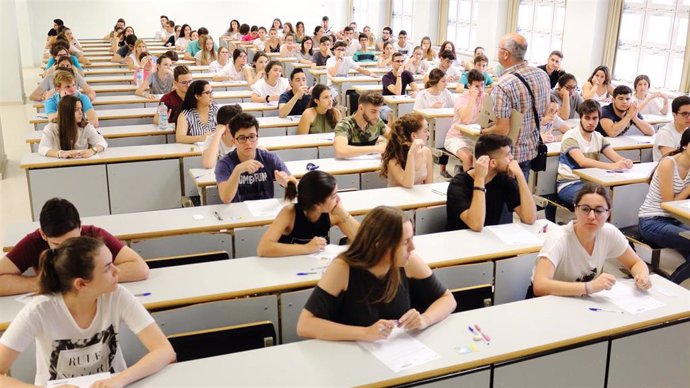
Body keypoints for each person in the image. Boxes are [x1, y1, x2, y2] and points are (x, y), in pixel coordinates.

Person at [0, 236, 174, 386]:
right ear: (81, 284)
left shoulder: (117, 295)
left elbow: (165, 350)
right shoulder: (39, 310)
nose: (117, 271)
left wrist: (120, 379)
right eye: (107, 268)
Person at [296, 206, 456, 341]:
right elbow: (305, 325)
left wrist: (424, 319)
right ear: (381, 245)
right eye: (405, 241)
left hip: (395, 354)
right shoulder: (343, 268)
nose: (412, 247)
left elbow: (448, 299)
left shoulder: (409, 262)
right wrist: (365, 333)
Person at [0, 198, 149, 296]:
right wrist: (48, 282)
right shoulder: (33, 242)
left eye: (73, 241)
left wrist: (91, 279)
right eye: (57, 245)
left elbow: (139, 268)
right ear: (43, 235)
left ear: (80, 227)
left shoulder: (93, 234)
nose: (66, 249)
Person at [530, 183, 651, 298]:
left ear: (608, 214)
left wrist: (642, 276)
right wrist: (588, 287)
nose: (592, 216)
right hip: (548, 301)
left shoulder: (609, 232)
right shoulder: (559, 238)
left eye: (599, 211)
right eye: (585, 209)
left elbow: (636, 263)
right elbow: (540, 286)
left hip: (580, 300)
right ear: (576, 209)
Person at [482, 33, 550, 179]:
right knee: (521, 197)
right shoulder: (542, 75)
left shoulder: (504, 84)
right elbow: (545, 112)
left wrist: (484, 131)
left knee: (503, 200)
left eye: (498, 48)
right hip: (531, 149)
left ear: (506, 54)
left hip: (509, 155)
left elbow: (502, 129)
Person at [257, 171, 360, 257]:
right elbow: (263, 248)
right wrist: (306, 248)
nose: (338, 199)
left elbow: (364, 240)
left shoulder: (334, 213)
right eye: (333, 196)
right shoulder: (290, 213)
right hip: (289, 268)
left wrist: (343, 213)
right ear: (317, 205)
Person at [446, 134, 536, 231]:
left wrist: (520, 176)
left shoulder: (504, 179)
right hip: (461, 241)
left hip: (490, 241)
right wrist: (480, 179)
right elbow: (476, 225)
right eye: (508, 155)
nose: (512, 158)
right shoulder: (458, 184)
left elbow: (529, 218)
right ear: (493, 163)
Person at [556, 100, 633, 206]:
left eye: (594, 118)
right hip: (569, 184)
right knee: (596, 202)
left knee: (616, 201)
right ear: (581, 118)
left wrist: (624, 161)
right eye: (587, 118)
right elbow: (582, 161)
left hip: (591, 183)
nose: (591, 122)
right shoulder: (571, 136)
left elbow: (615, 156)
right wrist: (612, 166)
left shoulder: (598, 137)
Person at [639, 129, 690, 284]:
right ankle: (672, 285)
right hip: (652, 220)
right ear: (686, 145)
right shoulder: (668, 163)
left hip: (676, 220)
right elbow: (668, 204)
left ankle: (670, 287)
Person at [215, 113, 295, 203]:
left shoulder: (270, 158)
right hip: (239, 214)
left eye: (252, 137)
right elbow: (225, 198)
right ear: (234, 141)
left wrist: (287, 183)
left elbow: (295, 185)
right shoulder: (225, 163)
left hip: (265, 213)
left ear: (257, 137)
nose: (248, 143)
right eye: (242, 138)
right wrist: (237, 170)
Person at [443, 69, 486, 175]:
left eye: (482, 85)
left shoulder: (485, 97)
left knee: (487, 157)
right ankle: (466, 186)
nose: (480, 89)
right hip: (456, 137)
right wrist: (473, 98)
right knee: (468, 158)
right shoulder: (462, 98)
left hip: (474, 137)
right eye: (476, 86)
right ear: (469, 85)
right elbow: (466, 120)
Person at [38, 95, 107, 159]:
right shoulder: (51, 128)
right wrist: (60, 153)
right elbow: (42, 148)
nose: (81, 113)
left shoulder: (85, 126)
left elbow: (102, 142)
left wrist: (92, 151)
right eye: (76, 110)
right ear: (65, 112)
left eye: (81, 109)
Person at [381, 113, 433, 188]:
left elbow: (429, 185)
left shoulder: (426, 152)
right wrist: (411, 154)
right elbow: (407, 184)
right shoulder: (393, 159)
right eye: (425, 131)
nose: (428, 134)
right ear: (414, 136)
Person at [334, 91, 390, 158]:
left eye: (379, 112)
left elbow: (395, 138)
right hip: (349, 166)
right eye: (373, 111)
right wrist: (376, 149)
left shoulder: (377, 122)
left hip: (371, 166)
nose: (377, 116)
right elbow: (340, 151)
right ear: (361, 108)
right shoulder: (345, 125)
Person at [380, 52, 419, 122]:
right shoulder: (386, 77)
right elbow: (397, 92)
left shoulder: (407, 74)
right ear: (392, 63)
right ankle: (391, 133)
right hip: (386, 106)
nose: (400, 63)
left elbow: (416, 89)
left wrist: (416, 92)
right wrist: (399, 75)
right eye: (397, 61)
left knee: (414, 116)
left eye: (402, 61)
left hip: (401, 105)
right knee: (392, 116)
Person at [201, 104, 243, 169]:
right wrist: (218, 133)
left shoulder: (244, 138)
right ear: (228, 127)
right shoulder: (212, 139)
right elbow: (208, 164)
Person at [654, 96, 690, 161]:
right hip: (667, 169)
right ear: (674, 115)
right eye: (685, 114)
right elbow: (673, 159)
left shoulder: (687, 130)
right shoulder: (665, 133)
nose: (689, 117)